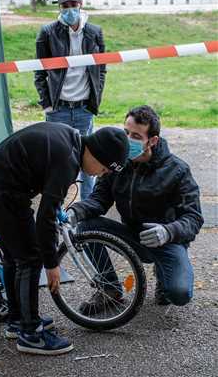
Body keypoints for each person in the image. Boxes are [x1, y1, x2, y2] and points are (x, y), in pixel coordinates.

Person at [0, 122, 129, 355]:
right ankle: (31, 334)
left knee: (15, 256)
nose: (101, 174)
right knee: (30, 258)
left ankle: (17, 320)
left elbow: (47, 194)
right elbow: (45, 217)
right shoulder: (68, 161)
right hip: (0, 189)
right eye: (105, 169)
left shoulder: (72, 140)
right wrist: (51, 262)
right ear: (97, 154)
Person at [67, 105, 204, 315]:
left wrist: (168, 232)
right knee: (85, 226)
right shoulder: (118, 162)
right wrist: (77, 211)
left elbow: (194, 218)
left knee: (178, 294)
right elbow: (99, 200)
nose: (128, 139)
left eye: (136, 136)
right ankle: (110, 290)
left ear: (153, 140)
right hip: (132, 236)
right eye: (126, 132)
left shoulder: (178, 170)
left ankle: (163, 275)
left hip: (167, 240)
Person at [34, 0, 106, 201]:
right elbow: (39, 72)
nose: (69, 9)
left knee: (88, 162)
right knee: (57, 162)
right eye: (64, 5)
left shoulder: (94, 33)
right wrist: (47, 104)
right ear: (59, 7)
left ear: (81, 4)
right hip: (59, 110)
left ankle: (86, 210)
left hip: (84, 108)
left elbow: (101, 70)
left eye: (73, 4)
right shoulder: (47, 33)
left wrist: (95, 101)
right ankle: (55, 209)